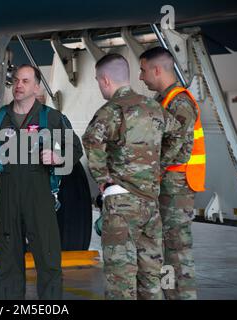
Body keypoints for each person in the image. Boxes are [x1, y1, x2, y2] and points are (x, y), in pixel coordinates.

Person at [0, 64, 83, 300]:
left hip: (40, 194)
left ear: (37, 87)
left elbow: (75, 148)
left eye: (25, 81)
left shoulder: (51, 118)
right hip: (7, 195)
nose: (19, 85)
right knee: (8, 262)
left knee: (49, 260)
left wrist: (59, 156)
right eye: (16, 81)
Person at [82, 53, 184, 300]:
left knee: (121, 280)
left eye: (98, 80)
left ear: (105, 80)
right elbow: (179, 134)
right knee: (151, 280)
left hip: (122, 204)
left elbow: (91, 139)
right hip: (150, 204)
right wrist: (158, 167)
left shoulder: (112, 110)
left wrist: (102, 177)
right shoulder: (153, 107)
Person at [139, 47, 206, 300]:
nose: (141, 77)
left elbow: (174, 145)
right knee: (165, 249)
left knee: (177, 252)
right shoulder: (163, 101)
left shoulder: (180, 102)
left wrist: (146, 173)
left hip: (176, 188)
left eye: (143, 70)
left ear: (157, 69)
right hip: (166, 185)